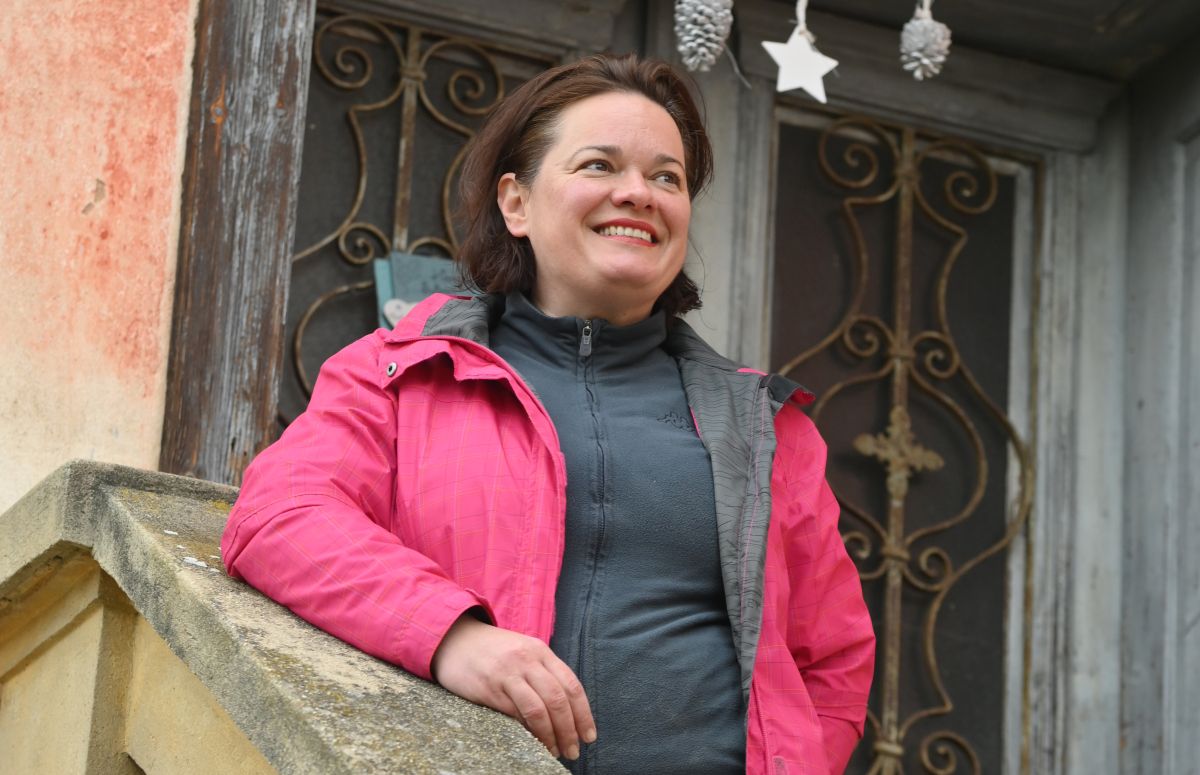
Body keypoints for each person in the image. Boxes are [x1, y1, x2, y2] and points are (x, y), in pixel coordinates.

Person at [222, 53, 874, 775]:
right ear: (516, 203)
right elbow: (280, 516)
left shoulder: (766, 427)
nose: (639, 193)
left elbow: (833, 660)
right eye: (600, 165)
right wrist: (452, 636)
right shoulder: (400, 372)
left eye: (667, 178)